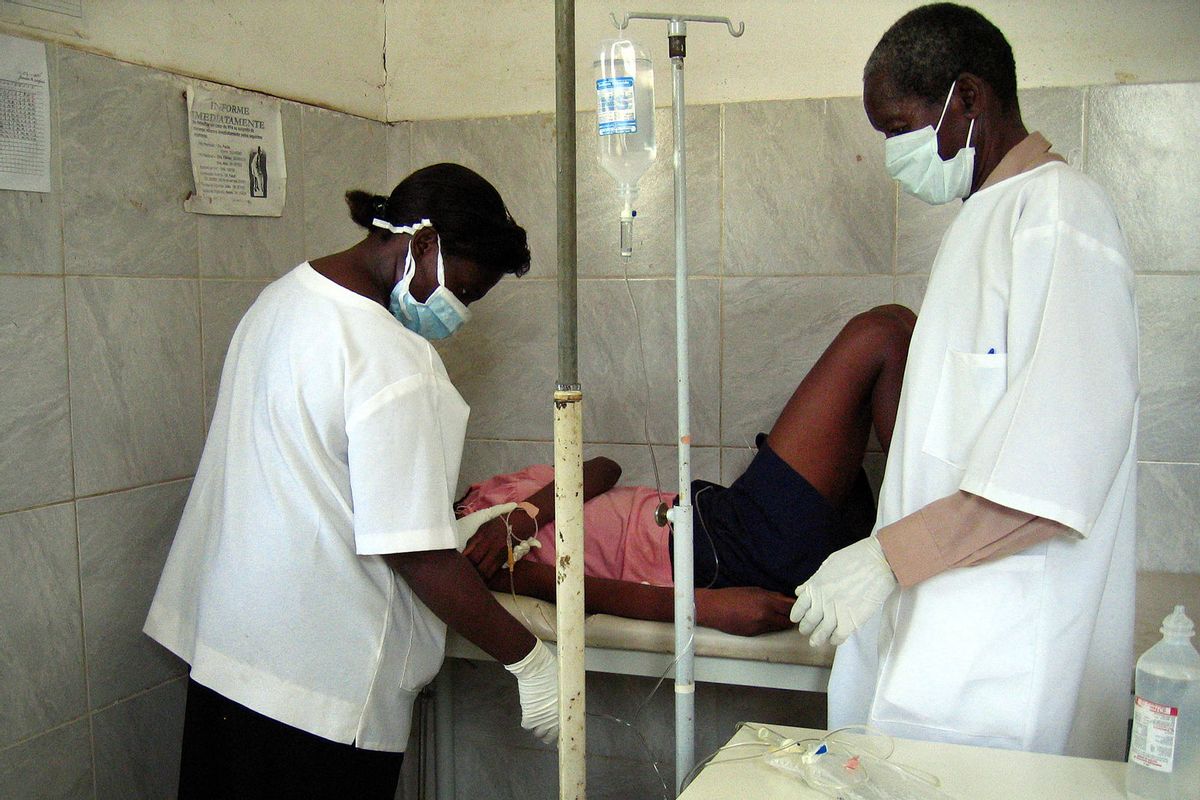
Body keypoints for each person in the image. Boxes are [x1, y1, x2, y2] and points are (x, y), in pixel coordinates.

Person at [144, 163, 560, 799]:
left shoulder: (281, 299)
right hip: (322, 697)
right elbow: (414, 550)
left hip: (229, 659)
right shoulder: (393, 358)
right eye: (468, 293)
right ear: (424, 246)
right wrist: (529, 661)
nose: (461, 314)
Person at [790, 4, 1139, 760]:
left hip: (1005, 670)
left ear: (970, 99)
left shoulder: (1058, 217)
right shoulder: (984, 220)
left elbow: (1059, 469)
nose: (892, 155)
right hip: (944, 644)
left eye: (899, 128)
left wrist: (888, 556)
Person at [456, 304, 917, 638]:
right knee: (880, 333)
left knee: (892, 327)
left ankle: (921, 531)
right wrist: (706, 608)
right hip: (714, 554)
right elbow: (583, 591)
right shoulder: (468, 551)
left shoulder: (485, 498)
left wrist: (519, 519)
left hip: (710, 518)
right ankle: (923, 528)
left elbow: (602, 468)